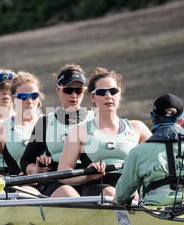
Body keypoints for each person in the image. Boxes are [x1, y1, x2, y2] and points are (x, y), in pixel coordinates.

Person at [57, 67, 151, 197]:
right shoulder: (78, 131)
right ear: (92, 97)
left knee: (134, 193)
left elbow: (157, 156)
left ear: (120, 95)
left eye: (113, 91)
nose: (108, 96)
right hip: (98, 188)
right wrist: (87, 176)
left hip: (132, 188)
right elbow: (63, 173)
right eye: (102, 92)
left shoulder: (138, 127)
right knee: (114, 193)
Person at [114, 93, 184, 206]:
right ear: (182, 120)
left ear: (153, 118)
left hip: (154, 213)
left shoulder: (138, 152)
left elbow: (121, 196)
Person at [20, 63, 93, 197]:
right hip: (56, 180)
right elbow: (25, 161)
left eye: (79, 90)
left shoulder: (94, 119)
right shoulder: (46, 122)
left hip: (90, 180)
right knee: (69, 195)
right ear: (58, 90)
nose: (74, 95)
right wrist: (37, 169)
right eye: (68, 90)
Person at [0, 71, 42, 193]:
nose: (29, 101)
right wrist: (14, 182)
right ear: (13, 98)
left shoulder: (50, 123)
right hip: (21, 189)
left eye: (34, 96)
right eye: (23, 96)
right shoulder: (0, 128)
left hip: (52, 182)